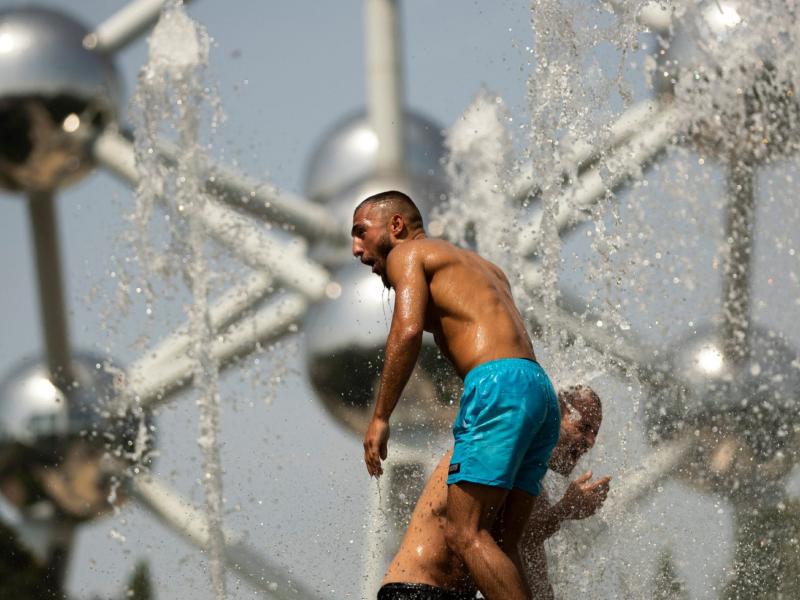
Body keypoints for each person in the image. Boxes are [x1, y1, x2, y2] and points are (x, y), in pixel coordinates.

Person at [352, 190, 572, 599]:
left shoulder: (408, 255)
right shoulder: (487, 268)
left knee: (463, 533)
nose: (356, 248)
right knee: (502, 545)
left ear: (396, 226)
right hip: (537, 386)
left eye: (361, 233)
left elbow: (408, 330)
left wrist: (381, 416)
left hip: (495, 384)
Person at [377, 385, 609, 600]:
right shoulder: (500, 448)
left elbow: (528, 564)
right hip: (416, 590)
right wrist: (564, 510)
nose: (590, 441)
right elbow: (514, 538)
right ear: (555, 416)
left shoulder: (530, 486)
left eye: (595, 433)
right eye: (584, 427)